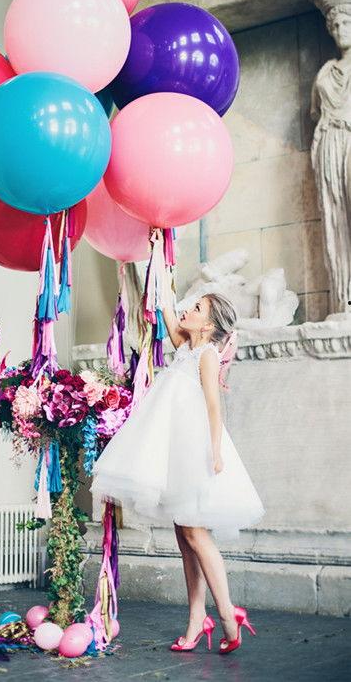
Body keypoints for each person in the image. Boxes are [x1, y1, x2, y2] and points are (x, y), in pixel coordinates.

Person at [90, 256, 265, 654]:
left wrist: (215, 453)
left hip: (196, 449)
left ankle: (228, 615)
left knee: (196, 534)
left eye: (197, 308)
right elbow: (167, 306)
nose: (189, 309)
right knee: (184, 534)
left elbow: (213, 406)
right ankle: (196, 617)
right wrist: (159, 257)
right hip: (176, 450)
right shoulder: (186, 346)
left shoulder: (206, 356)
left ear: (208, 326)